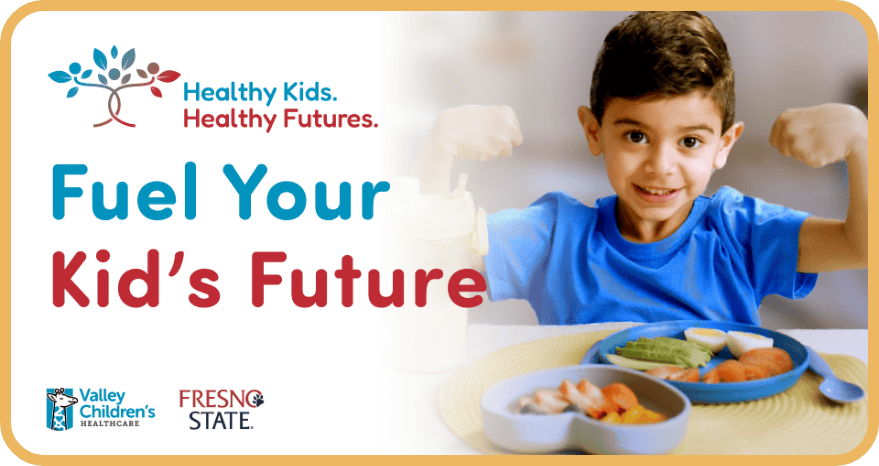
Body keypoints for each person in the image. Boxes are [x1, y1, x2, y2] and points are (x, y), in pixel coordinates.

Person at [414, 11, 867, 325]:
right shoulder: (556, 236)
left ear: (723, 145)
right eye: (636, 136)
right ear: (594, 132)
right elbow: (430, 268)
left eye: (690, 142)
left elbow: (861, 246)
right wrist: (439, 148)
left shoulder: (740, 232)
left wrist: (862, 143)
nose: (660, 166)